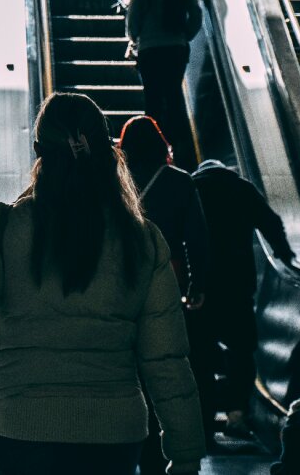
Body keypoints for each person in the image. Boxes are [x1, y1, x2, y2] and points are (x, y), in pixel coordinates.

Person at [0, 93, 205, 475]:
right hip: (115, 435)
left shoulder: (2, 228)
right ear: (107, 149)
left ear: (38, 150)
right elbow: (166, 360)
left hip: (22, 429)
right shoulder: (142, 240)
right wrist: (187, 453)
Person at [118, 116, 210, 472]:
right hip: (168, 282)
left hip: (122, 283)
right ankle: (169, 443)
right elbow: (197, 238)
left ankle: (136, 445)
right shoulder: (181, 182)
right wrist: (196, 286)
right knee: (167, 363)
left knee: (129, 366)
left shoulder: (114, 180)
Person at [190, 159, 294, 438]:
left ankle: (204, 420)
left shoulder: (192, 187)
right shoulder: (242, 188)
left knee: (200, 356)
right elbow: (271, 223)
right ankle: (237, 416)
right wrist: (285, 254)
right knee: (241, 352)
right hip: (237, 286)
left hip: (201, 288)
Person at [125, 0, 203, 171]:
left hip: (150, 50)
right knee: (175, 97)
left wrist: (135, 38)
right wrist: (184, 35)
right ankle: (182, 154)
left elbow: (134, 18)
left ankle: (153, 153)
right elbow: (196, 16)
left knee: (153, 100)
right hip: (175, 49)